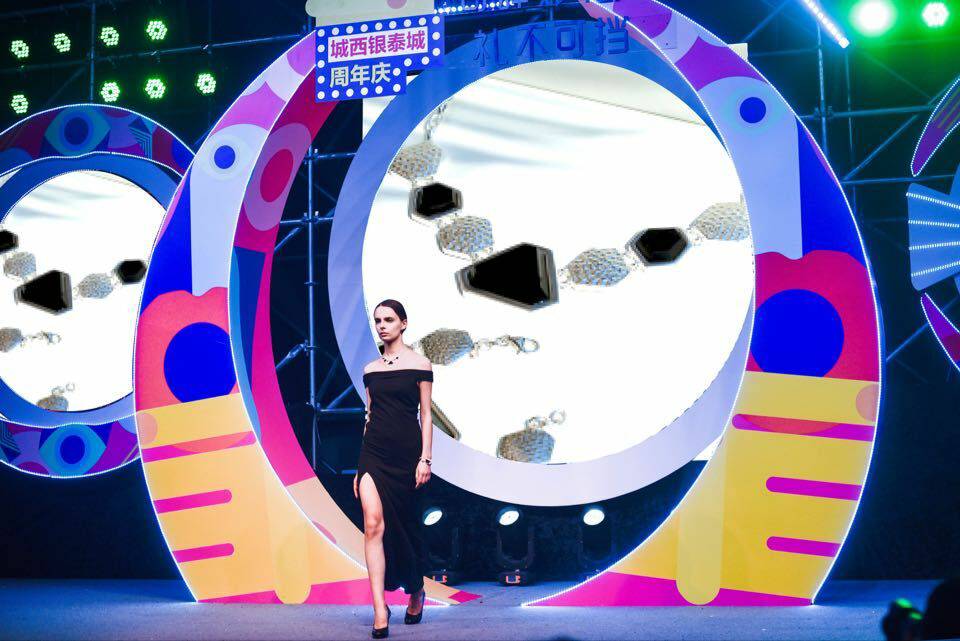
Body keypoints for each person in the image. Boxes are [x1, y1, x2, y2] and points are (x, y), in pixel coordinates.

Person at [353, 299, 433, 639]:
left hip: (407, 456)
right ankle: (379, 610)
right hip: (373, 455)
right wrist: (359, 469)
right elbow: (369, 416)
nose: (382, 325)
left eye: (388, 319)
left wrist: (425, 458)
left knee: (407, 529)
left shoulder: (420, 364)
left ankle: (416, 590)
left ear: (403, 323)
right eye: (378, 320)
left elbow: (426, 414)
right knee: (373, 524)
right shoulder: (370, 369)